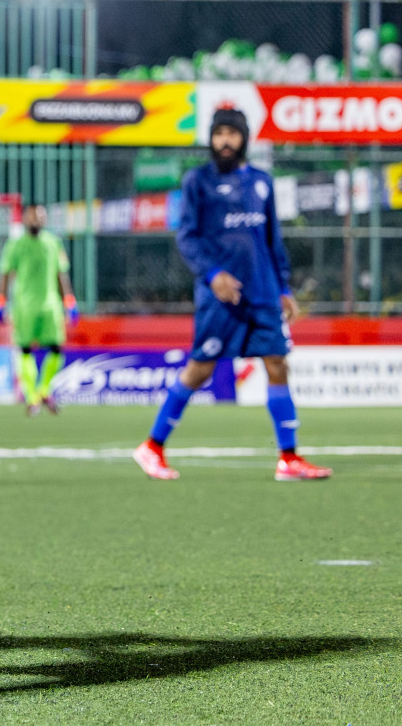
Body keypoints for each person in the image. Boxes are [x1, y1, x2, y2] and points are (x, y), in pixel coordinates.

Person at [133, 108, 331, 482]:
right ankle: (152, 447)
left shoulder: (261, 182)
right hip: (220, 298)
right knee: (200, 369)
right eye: (219, 133)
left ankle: (288, 458)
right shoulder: (197, 182)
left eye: (232, 134)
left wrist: (284, 286)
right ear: (211, 138)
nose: (225, 141)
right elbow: (187, 237)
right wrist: (212, 275)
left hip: (264, 293)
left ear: (244, 138)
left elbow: (272, 239)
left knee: (277, 364)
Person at [0, 205, 77, 415]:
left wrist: (69, 300)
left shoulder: (53, 242)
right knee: (25, 349)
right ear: (24, 218)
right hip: (24, 306)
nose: (36, 220)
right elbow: (5, 273)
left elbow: (61, 273)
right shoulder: (16, 244)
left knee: (57, 348)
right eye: (33, 216)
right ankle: (31, 396)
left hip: (50, 305)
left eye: (40, 216)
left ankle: (44, 390)